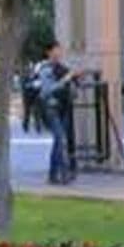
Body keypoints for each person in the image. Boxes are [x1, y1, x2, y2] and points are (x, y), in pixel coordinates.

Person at [38, 42, 82, 184]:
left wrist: (74, 83)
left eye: (60, 50)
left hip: (63, 107)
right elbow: (47, 90)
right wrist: (66, 79)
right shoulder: (45, 70)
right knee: (60, 138)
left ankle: (54, 174)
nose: (58, 53)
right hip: (51, 108)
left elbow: (71, 88)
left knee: (59, 141)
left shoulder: (62, 68)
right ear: (49, 52)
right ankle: (63, 173)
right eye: (56, 50)